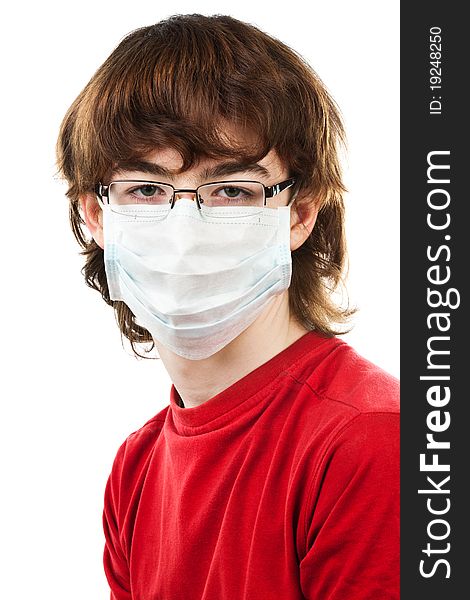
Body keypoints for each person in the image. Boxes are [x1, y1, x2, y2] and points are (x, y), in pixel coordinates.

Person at [56, 14, 399, 600]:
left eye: (232, 190)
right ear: (96, 216)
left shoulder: (371, 444)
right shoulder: (135, 471)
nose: (185, 229)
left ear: (300, 213)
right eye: (146, 188)